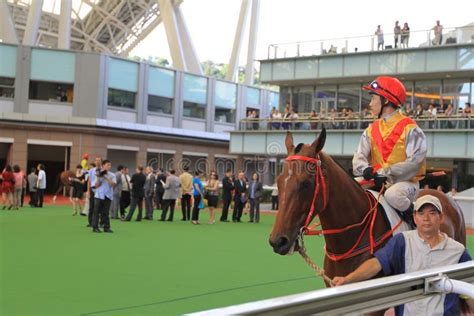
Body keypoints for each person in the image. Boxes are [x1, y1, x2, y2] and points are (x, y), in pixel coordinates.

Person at [332, 195, 472, 315]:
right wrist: (348, 279)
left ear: (441, 217)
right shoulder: (402, 242)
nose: (426, 218)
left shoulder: (458, 251)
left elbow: (470, 288)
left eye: (432, 213)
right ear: (415, 217)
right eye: (421, 213)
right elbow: (376, 263)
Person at [353, 76, 427, 227]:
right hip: (378, 181)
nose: (370, 103)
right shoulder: (371, 129)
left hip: (406, 184)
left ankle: (416, 223)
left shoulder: (411, 128)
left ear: (385, 100)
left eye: (373, 98)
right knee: (349, 189)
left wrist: (385, 172)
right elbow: (358, 157)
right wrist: (365, 168)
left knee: (393, 195)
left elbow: (414, 163)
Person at [91, 159, 116, 233]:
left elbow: (112, 184)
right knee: (96, 211)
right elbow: (96, 185)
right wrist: (99, 177)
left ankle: (106, 227)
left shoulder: (112, 175)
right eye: (107, 165)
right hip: (99, 195)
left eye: (110, 165)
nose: (109, 166)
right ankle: (95, 227)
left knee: (106, 212)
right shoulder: (98, 174)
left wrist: (105, 177)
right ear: (103, 165)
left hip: (108, 196)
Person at [86, 157, 102, 226]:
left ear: (101, 162)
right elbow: (89, 181)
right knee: (91, 206)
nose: (97, 161)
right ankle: (90, 222)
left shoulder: (103, 170)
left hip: (101, 190)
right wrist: (88, 191)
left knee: (100, 207)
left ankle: (100, 222)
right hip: (92, 189)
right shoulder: (91, 170)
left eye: (99, 160)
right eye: (96, 160)